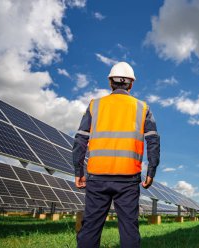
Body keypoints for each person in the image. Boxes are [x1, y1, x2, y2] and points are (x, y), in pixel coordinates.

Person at [72, 61, 160, 248]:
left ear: (110, 82)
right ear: (131, 84)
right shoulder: (142, 107)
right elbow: (153, 141)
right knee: (129, 228)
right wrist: (151, 171)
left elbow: (80, 139)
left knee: (90, 228)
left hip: (97, 177)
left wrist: (78, 170)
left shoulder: (95, 105)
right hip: (128, 178)